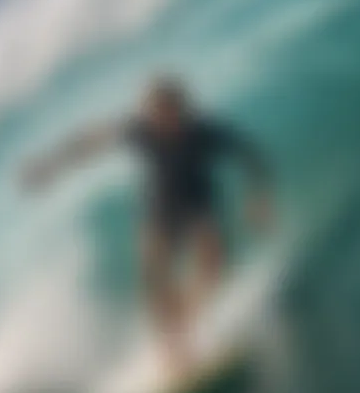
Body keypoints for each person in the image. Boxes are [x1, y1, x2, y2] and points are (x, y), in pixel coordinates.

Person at [20, 76, 273, 375]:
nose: (162, 121)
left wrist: (258, 196)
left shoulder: (204, 133)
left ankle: (187, 324)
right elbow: (89, 141)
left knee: (213, 270)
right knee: (157, 279)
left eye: (168, 112)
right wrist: (49, 166)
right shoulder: (141, 132)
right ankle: (176, 353)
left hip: (197, 208)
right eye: (155, 114)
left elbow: (250, 154)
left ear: (182, 109)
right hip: (158, 213)